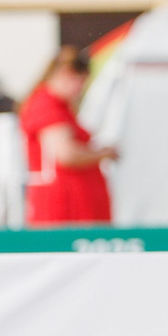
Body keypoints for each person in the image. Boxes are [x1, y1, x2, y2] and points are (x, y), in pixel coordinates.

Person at [20, 46, 116, 224]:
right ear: (67, 74)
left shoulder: (55, 105)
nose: (80, 90)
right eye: (81, 82)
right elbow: (66, 154)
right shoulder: (47, 105)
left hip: (70, 206)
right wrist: (104, 153)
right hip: (64, 207)